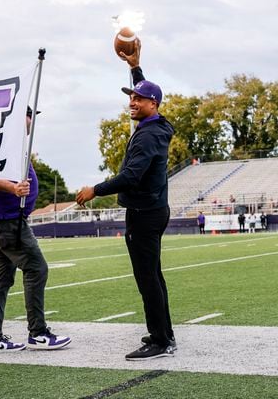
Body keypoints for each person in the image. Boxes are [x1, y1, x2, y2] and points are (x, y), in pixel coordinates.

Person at [76, 38, 176, 361]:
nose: (133, 101)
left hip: (144, 213)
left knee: (147, 279)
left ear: (154, 105)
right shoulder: (156, 125)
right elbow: (146, 93)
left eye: (139, 98)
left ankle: (160, 341)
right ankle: (164, 333)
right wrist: (135, 68)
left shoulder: (148, 135)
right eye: (132, 97)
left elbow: (130, 177)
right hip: (153, 209)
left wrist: (95, 190)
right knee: (154, 276)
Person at [0, 106, 71, 355]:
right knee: (36, 268)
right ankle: (38, 333)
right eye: (31, 116)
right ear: (20, 117)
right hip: (8, 220)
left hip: (6, 218)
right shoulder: (5, 141)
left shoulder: (14, 142)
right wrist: (13, 189)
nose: (32, 121)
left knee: (2, 277)